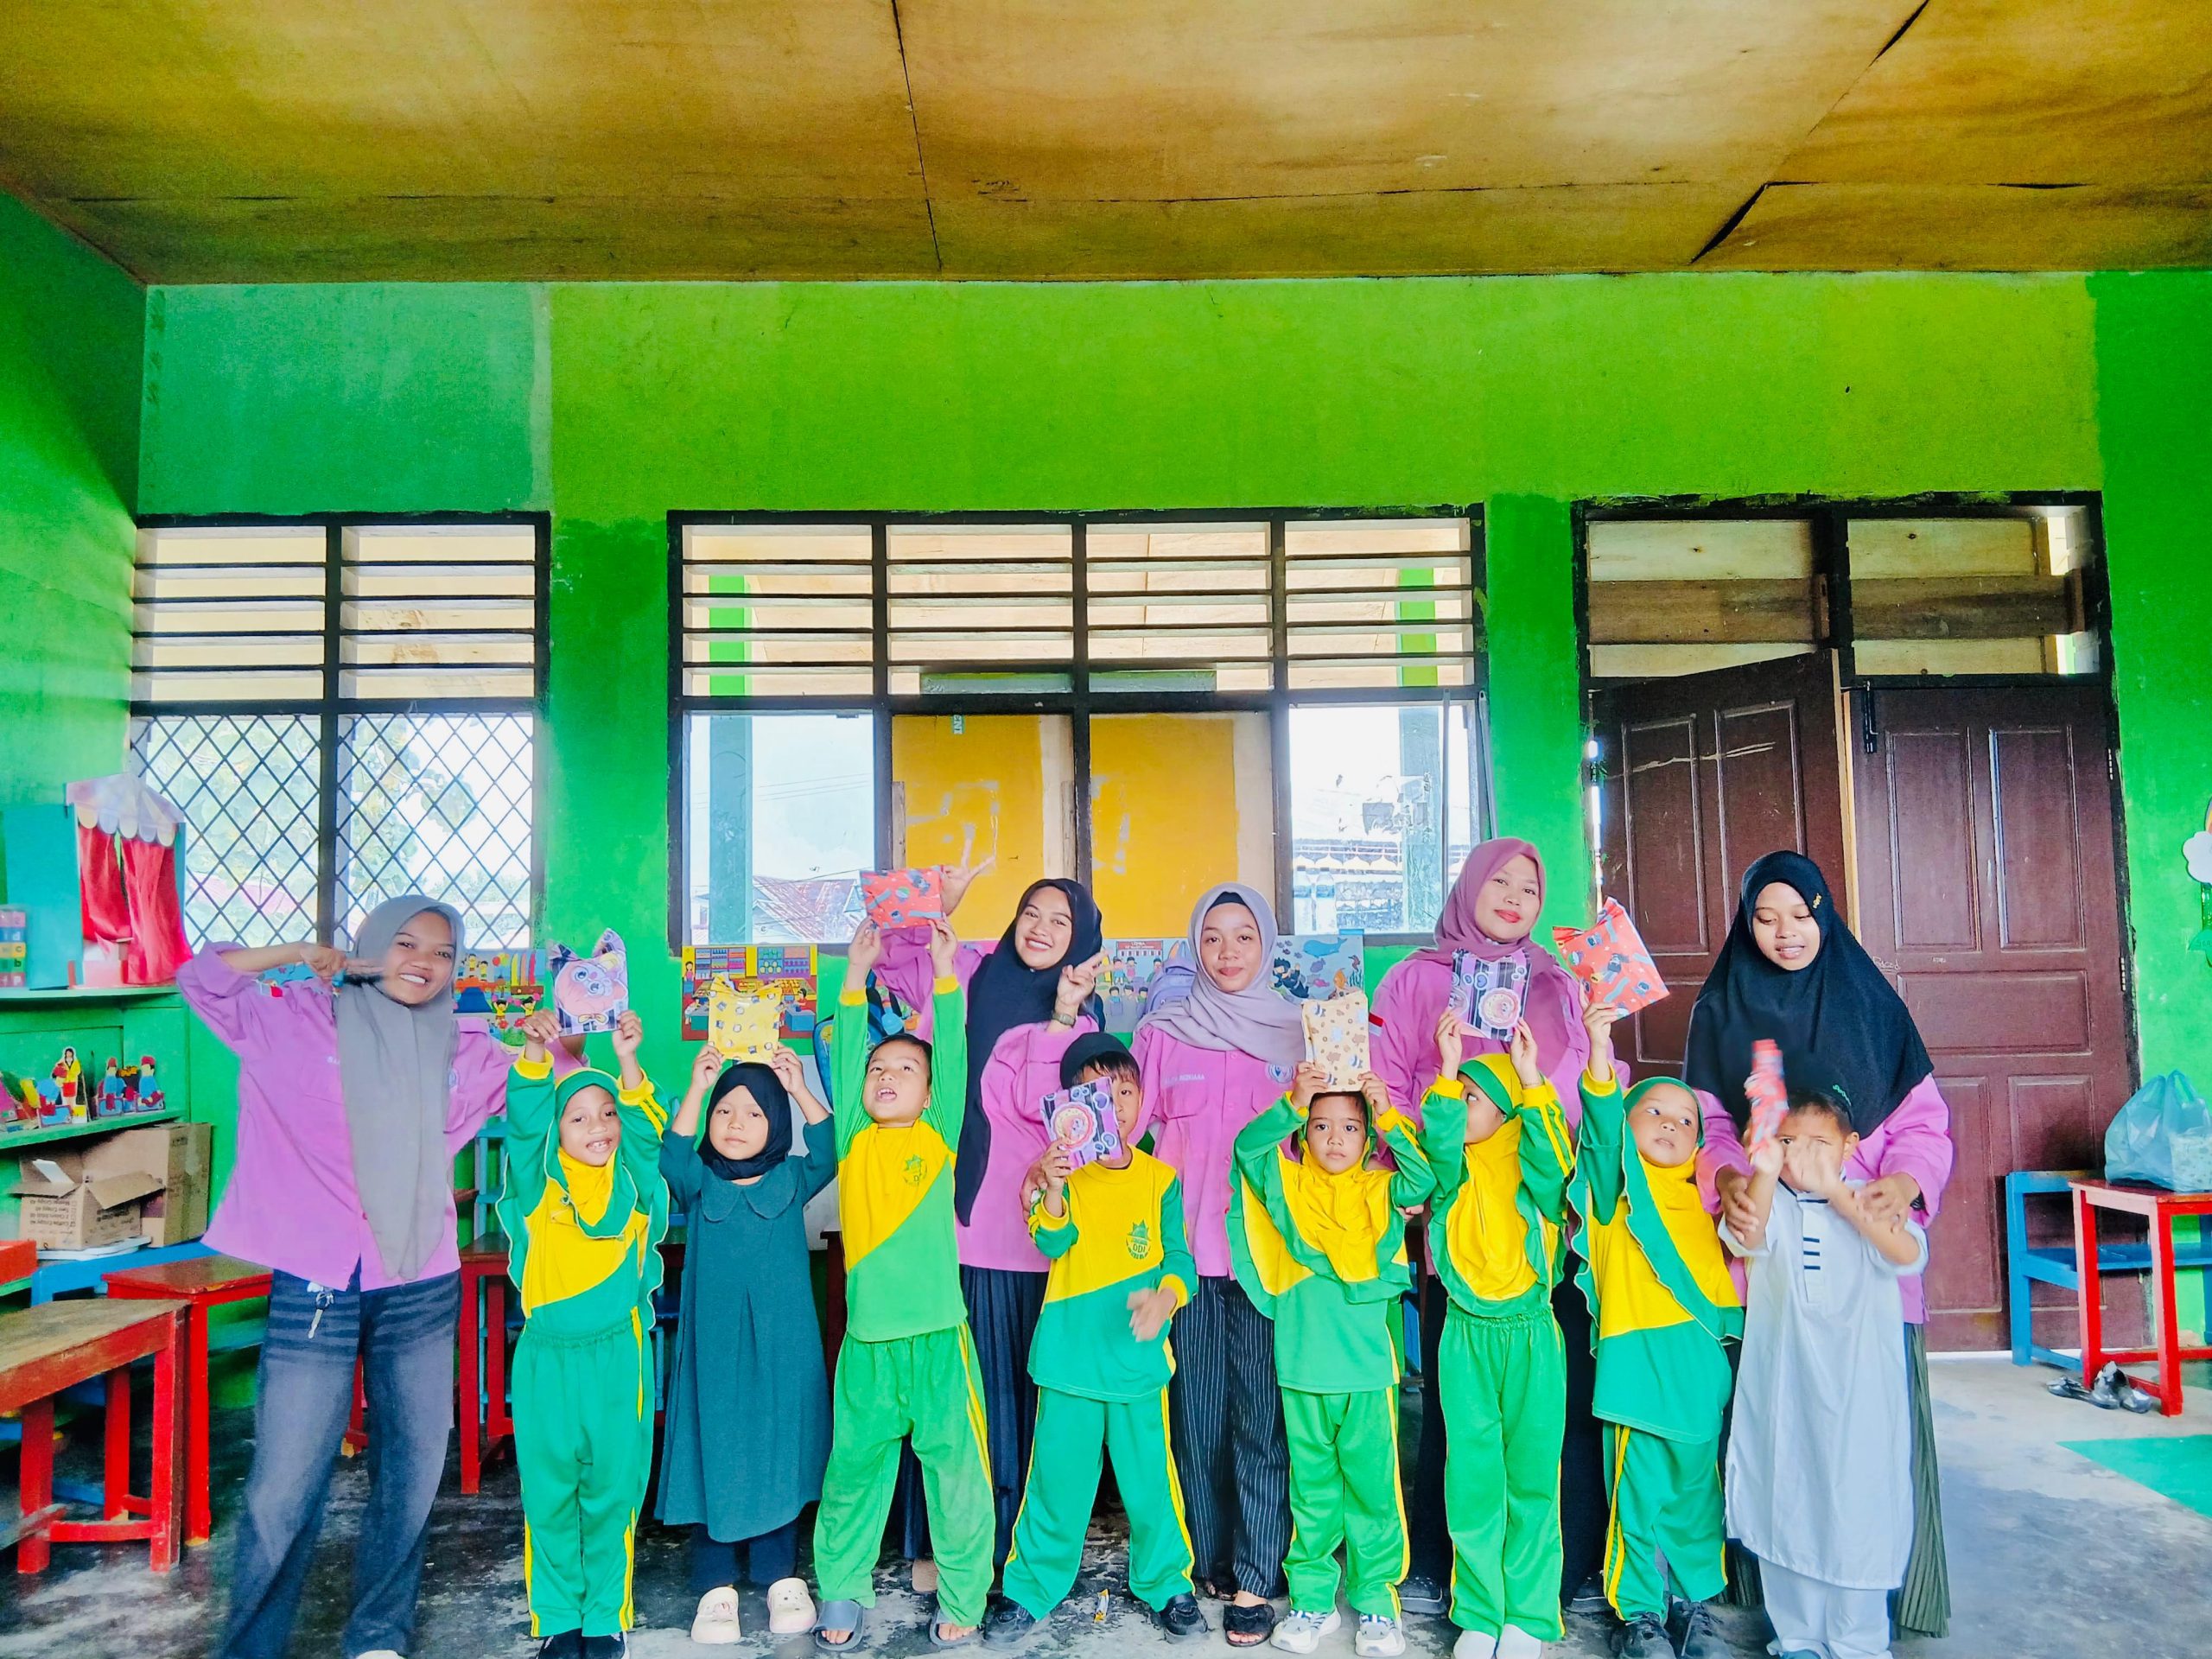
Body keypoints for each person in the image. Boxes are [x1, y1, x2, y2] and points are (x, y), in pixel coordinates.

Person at [179, 898, 514, 1659]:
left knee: (412, 1475)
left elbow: (552, 1086)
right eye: (406, 943)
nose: (423, 962)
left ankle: (378, 1638)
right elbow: (202, 979)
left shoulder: (463, 1046)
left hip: (421, 1278)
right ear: (370, 946)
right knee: (283, 1485)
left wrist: (561, 1043)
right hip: (317, 1279)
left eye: (442, 952)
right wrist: (295, 950)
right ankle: (251, 1649)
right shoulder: (293, 1017)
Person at [1683, 851, 1955, 1637]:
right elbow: (1712, 1125)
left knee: (1867, 1450)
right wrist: (1727, 1177)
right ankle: (1787, 1619)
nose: (1785, 933)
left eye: (1800, 915)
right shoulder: (1722, 1009)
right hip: (1771, 1253)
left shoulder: (1872, 1006)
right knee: (1783, 1443)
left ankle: (1877, 1618)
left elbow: (1923, 1125)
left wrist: (1904, 1182)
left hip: (1868, 1253)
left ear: (1824, 914)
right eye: (1765, 919)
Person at [1368, 839, 1602, 1618]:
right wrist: (1412, 1170)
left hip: (1540, 1217)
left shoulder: (1556, 981)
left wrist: (1557, 1159)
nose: (1512, 896)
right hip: (1454, 1215)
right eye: (1498, 880)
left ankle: (1562, 1573)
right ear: (1468, 886)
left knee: (1551, 1405)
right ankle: (1444, 1567)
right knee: (1456, 1404)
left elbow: (1581, 1086)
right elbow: (1387, 1080)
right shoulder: (1415, 979)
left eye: (1529, 887)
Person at [873, 869, 1107, 1580]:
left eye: (1061, 922)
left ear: (1082, 941)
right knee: (959, 1400)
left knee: (1028, 1404)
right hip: (965, 1221)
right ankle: (950, 1546)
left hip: (1043, 1233)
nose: (1041, 928)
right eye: (1031, 912)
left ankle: (1016, 1549)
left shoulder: (1088, 1021)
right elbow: (895, 963)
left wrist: (1062, 1015)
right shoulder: (972, 971)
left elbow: (1055, 1119)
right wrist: (932, 910)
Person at [986, 1033, 1208, 1648]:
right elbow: (1051, 1242)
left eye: (1125, 1091)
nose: (1115, 1103)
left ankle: (1167, 1583)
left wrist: (1166, 1298)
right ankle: (1030, 1588)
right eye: (1097, 1094)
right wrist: (1054, 1188)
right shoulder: (1061, 1174)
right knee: (1056, 1485)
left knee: (1152, 1487)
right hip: (1069, 1362)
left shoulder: (1160, 1179)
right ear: (1071, 1108)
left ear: (1141, 1099)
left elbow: (1180, 1259)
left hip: (1137, 1364)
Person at [1135, 881, 1308, 1647]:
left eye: (1244, 937)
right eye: (1212, 937)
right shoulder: (1163, 1034)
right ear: (1194, 947)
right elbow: (1125, 1134)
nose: (1228, 952)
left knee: (1262, 1423)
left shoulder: (1302, 1033)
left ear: (1266, 945)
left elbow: (1337, 1138)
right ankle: (1209, 1558)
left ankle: (1258, 1574)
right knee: (1197, 1417)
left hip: (1272, 1261)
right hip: (1186, 1259)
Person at [812, 918, 993, 1651]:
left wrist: (947, 975)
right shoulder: (853, 1139)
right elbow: (847, 1050)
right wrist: (854, 974)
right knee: (853, 1473)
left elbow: (953, 1056)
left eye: (905, 1071)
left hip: (940, 1342)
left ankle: (964, 1594)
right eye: (877, 1070)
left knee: (956, 1477)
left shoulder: (937, 1133)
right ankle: (842, 1589)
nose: (887, 1077)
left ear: (927, 1093)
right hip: (869, 1346)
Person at [1228, 1067, 1434, 1659]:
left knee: (1373, 1492)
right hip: (1302, 1368)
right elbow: (1248, 1148)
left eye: (1350, 1126)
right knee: (1312, 1493)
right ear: (1303, 1134)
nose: (1335, 1137)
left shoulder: (1383, 1189)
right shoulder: (1288, 1185)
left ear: (1367, 1138)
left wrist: (1386, 1111)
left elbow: (1425, 1176)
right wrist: (1292, 1103)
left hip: (1367, 1374)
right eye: (1320, 1126)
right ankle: (1312, 1600)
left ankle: (1377, 1603)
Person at [1723, 1091, 1928, 1659]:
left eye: (1819, 1143)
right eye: (1789, 1142)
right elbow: (1746, 1236)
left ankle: (1857, 1642)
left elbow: (1905, 1254)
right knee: (1785, 1497)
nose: (1803, 1155)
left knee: (1857, 1506)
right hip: (1784, 1388)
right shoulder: (1771, 1201)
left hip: (1860, 1395)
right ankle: (1797, 1638)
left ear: (1850, 1146)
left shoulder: (1871, 1199)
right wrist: (1765, 1168)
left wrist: (1837, 1191)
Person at [1568, 1000, 1738, 1659]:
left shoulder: (1705, 1204)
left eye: (1685, 1118)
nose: (1671, 1123)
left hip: (1699, 1374)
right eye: (1655, 1111)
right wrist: (1599, 1050)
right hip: (1636, 1373)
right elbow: (1600, 1131)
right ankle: (1639, 1615)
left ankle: (1693, 1608)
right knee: (1636, 1502)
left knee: (1696, 1497)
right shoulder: (1616, 1196)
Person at [502, 1010, 670, 1659]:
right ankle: (557, 1617)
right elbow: (523, 1125)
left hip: (617, 1359)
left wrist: (627, 1061)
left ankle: (604, 1616)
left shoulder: (634, 1184)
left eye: (607, 1114)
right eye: (578, 1117)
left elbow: (649, 1134)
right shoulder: (537, 1188)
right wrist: (533, 1053)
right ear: (558, 1129)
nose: (598, 1126)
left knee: (611, 1492)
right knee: (548, 1493)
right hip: (546, 1361)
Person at [658, 1041, 837, 1645]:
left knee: (778, 1446)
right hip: (713, 1350)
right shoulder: (700, 1181)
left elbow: (832, 1147)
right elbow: (672, 1155)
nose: (736, 1123)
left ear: (777, 1123)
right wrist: (696, 1086)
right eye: (724, 1110)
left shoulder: (792, 1176)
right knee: (714, 1444)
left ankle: (780, 1575)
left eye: (755, 1112)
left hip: (784, 1349)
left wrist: (798, 1086)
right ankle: (715, 1584)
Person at [1421, 1011, 1576, 1659]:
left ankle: (1529, 1616)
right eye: (1459, 1096)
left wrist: (1530, 1078)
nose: (1461, 1104)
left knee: (1532, 1479)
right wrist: (1448, 1069)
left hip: (1532, 1336)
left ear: (1507, 1109)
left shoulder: (1532, 1166)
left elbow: (1556, 1163)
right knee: (1473, 1478)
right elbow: (1435, 1140)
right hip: (1466, 1337)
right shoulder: (1451, 1169)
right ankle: (1481, 1613)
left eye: (1474, 1097)